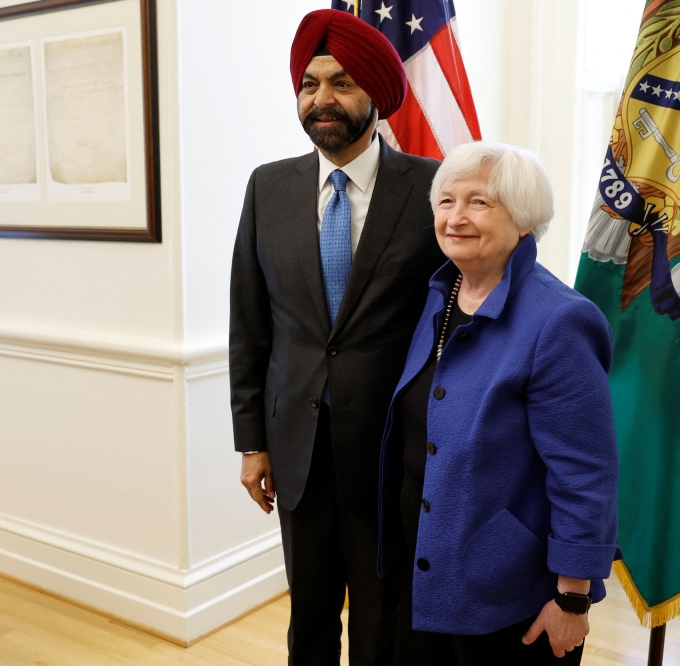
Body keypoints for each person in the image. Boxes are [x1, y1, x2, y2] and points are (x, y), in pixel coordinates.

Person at [229, 9, 444, 666]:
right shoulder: (268, 187)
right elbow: (249, 325)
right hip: (297, 449)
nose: (321, 98)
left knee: (383, 625)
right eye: (309, 84)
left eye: (342, 83)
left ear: (377, 94)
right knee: (309, 617)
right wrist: (252, 444)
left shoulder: (434, 188)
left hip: (391, 453)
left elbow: (454, 324)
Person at [378, 142, 620, 665]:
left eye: (479, 202)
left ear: (524, 220)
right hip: (423, 561)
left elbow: (585, 474)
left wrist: (572, 598)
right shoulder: (439, 296)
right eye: (446, 201)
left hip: (507, 588)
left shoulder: (560, 320)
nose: (456, 217)